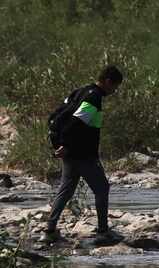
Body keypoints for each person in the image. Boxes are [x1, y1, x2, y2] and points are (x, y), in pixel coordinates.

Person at [41, 65, 123, 243]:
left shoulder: (80, 91)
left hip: (70, 152)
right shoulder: (94, 97)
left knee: (66, 189)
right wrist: (67, 145)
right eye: (115, 87)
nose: (114, 91)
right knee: (102, 189)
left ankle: (49, 230)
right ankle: (102, 232)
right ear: (108, 82)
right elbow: (77, 122)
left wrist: (60, 145)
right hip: (82, 153)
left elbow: (56, 116)